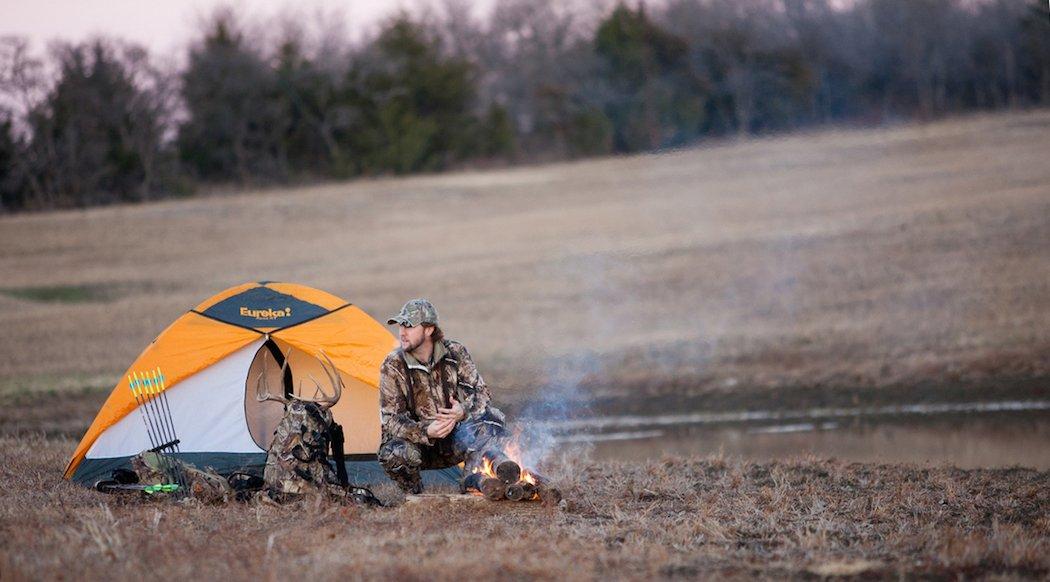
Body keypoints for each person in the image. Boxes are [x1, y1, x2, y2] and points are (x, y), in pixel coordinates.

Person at [377, 298, 508, 494]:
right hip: (417, 445)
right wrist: (425, 431)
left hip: (454, 440)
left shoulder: (455, 353)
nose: (402, 332)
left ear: (429, 329)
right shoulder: (393, 365)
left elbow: (482, 393)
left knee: (493, 420)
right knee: (394, 452)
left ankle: (473, 484)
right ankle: (413, 495)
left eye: (409, 326)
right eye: (400, 326)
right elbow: (390, 419)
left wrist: (461, 411)